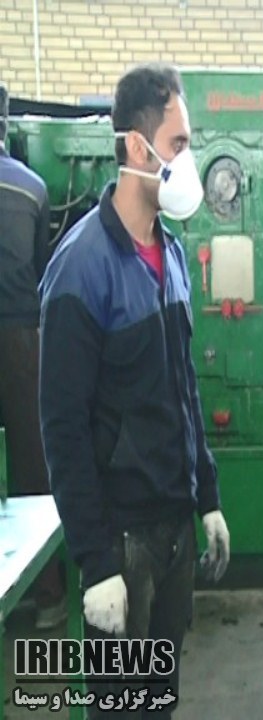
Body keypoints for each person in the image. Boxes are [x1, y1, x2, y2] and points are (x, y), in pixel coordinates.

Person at [39, 64, 230, 717]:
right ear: (136, 148)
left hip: (173, 528)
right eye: (179, 145)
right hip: (121, 542)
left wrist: (207, 497)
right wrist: (95, 564)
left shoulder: (172, 256)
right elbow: (62, 429)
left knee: (160, 702)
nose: (187, 161)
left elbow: (184, 388)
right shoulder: (80, 269)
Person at [0, 81, 67, 629]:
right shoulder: (34, 187)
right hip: (23, 338)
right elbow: (42, 268)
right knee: (32, 463)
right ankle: (49, 593)